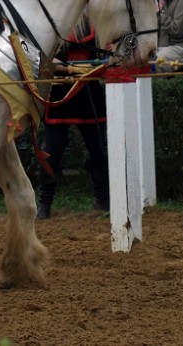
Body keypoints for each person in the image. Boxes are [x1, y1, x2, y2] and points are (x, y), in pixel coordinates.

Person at [36, 18, 109, 221]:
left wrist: (95, 67)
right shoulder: (56, 23)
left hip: (89, 94)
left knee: (99, 151)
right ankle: (44, 203)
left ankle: (104, 201)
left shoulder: (98, 26)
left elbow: (108, 55)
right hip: (60, 95)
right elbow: (45, 57)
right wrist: (70, 68)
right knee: (52, 152)